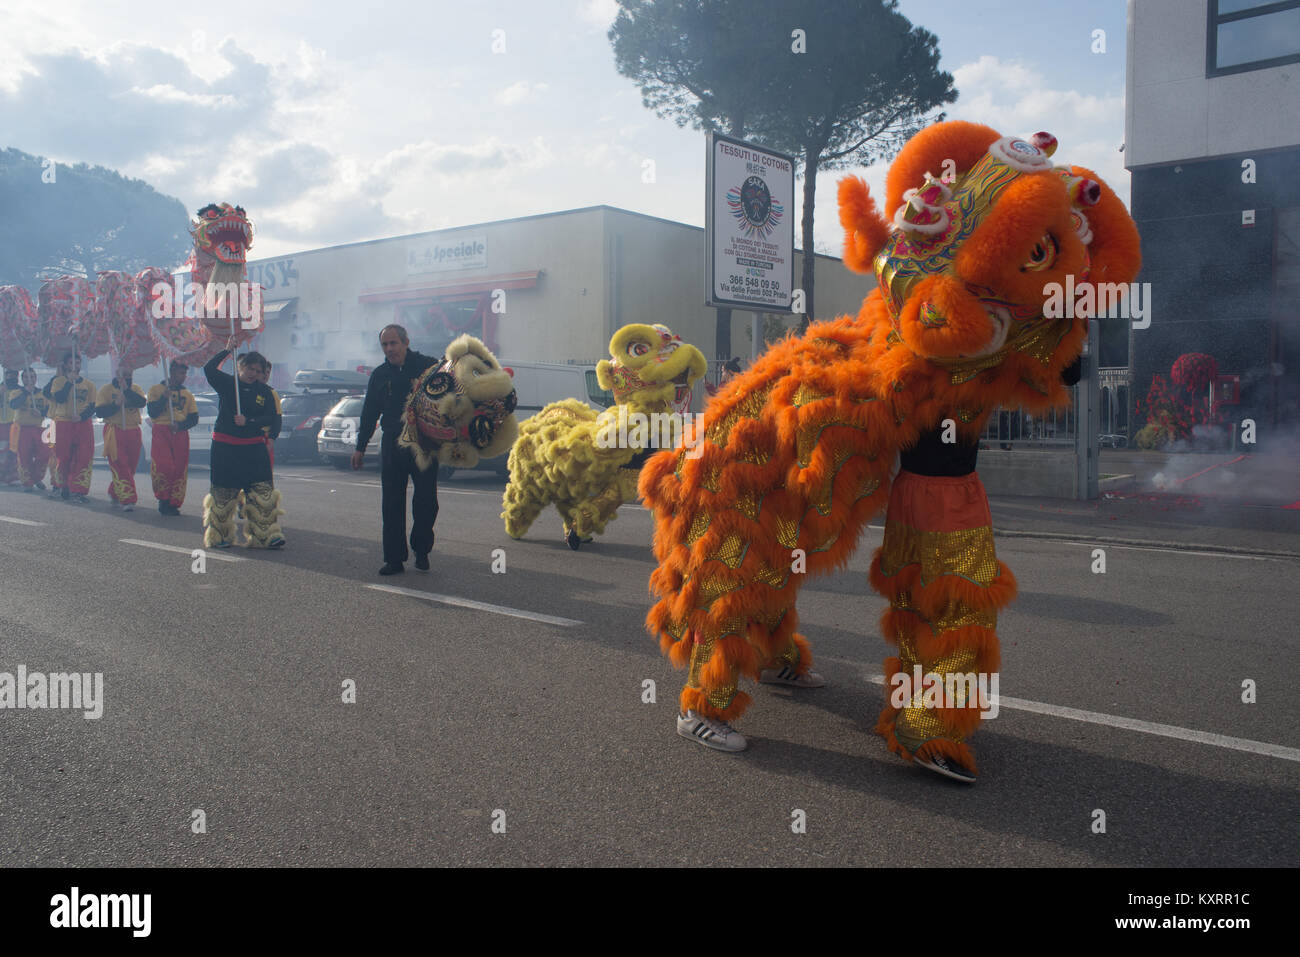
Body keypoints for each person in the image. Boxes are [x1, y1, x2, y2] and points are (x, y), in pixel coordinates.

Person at [351, 324, 438, 575]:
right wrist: (360, 446)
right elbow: (369, 413)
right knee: (391, 503)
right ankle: (394, 559)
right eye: (385, 345)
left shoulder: (428, 366)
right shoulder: (379, 375)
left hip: (423, 443)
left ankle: (422, 551)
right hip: (392, 444)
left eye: (393, 343)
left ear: (405, 342)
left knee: (426, 501)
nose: (389, 349)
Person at [203, 343, 284, 549]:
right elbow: (209, 369)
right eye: (250, 369)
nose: (254, 374)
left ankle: (265, 535)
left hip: (253, 449)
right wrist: (227, 350)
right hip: (225, 449)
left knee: (262, 494)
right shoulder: (227, 384)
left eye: (258, 371)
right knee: (223, 494)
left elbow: (270, 417)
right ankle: (220, 536)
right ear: (241, 367)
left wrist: (248, 421)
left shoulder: (265, 392)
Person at [146, 362, 199, 515]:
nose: (183, 377)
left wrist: (181, 426)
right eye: (180, 373)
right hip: (162, 430)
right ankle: (163, 500)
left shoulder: (187, 394)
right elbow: (152, 413)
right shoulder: (156, 390)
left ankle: (174, 502)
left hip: (180, 433)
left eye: (184, 374)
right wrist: (164, 398)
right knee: (164, 465)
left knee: (179, 467)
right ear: (172, 372)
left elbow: (194, 418)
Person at [44, 353, 96, 503]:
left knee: (83, 457)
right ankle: (61, 486)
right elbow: (59, 398)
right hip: (62, 423)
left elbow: (93, 406)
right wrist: (69, 382)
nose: (75, 365)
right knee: (63, 456)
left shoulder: (89, 385)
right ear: (65, 365)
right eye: (71, 362)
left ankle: (78, 490)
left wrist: (82, 416)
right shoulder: (58, 381)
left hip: (82, 424)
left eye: (78, 362)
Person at [95, 363, 147, 511]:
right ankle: (128, 499)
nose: (127, 378)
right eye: (124, 375)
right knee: (120, 464)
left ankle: (114, 491)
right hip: (115, 430)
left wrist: (127, 390)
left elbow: (141, 402)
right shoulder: (106, 390)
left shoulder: (135, 389)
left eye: (129, 375)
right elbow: (99, 412)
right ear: (117, 374)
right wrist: (116, 404)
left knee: (131, 466)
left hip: (133, 431)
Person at [7, 368, 52, 491]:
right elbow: (13, 405)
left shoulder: (42, 393)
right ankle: (27, 482)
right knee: (24, 455)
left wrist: (41, 412)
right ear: (22, 379)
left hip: (39, 428)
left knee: (44, 454)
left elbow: (49, 410)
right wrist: (26, 392)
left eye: (32, 377)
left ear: (35, 378)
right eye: (26, 377)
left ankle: (37, 477)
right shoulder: (16, 392)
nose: (29, 379)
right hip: (21, 429)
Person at [0, 368, 18, 484]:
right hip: (2, 424)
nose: (11, 377)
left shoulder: (20, 390)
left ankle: (13, 476)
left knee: (14, 451)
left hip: (15, 424)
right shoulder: (1, 388)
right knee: (3, 450)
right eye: (9, 374)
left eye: (14, 375)